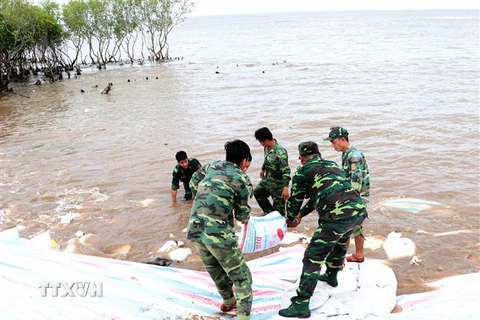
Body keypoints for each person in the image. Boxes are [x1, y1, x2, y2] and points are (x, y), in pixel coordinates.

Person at [278, 141, 367, 318]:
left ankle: (301, 304)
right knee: (340, 241)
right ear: (318, 154)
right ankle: (331, 275)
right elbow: (317, 196)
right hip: (358, 212)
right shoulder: (332, 165)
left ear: (302, 158)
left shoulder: (303, 171)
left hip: (336, 218)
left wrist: (291, 219)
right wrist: (302, 215)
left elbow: (295, 200)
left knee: (313, 256)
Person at [187, 140, 253, 320]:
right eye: (248, 162)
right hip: (218, 234)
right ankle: (244, 317)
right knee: (242, 277)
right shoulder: (242, 179)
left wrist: (202, 198)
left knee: (214, 268)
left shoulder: (212, 165)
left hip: (195, 227)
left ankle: (228, 300)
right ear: (245, 160)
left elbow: (194, 180)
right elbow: (242, 216)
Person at [324, 127, 370, 263]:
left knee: (346, 227)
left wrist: (346, 202)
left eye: (334, 142)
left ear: (343, 139)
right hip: (354, 196)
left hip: (356, 197)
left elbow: (355, 183)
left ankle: (340, 260)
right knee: (356, 226)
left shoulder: (354, 156)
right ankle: (359, 254)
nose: (333, 145)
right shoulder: (346, 154)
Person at [253, 127, 291, 216]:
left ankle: (278, 221)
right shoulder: (267, 148)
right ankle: (269, 214)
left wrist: (286, 188)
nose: (260, 144)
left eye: (260, 142)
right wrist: (263, 169)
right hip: (268, 180)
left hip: (278, 185)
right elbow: (266, 159)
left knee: (279, 214)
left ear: (265, 141)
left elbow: (286, 170)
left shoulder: (280, 152)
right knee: (257, 193)